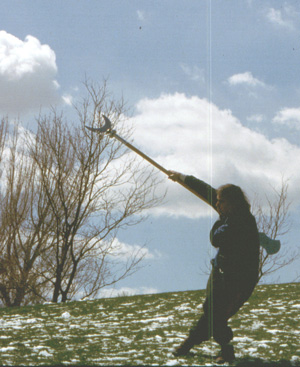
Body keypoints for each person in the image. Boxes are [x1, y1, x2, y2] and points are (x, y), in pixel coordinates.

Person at [169, 172, 260, 364]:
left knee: (214, 312)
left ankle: (202, 345)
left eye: (222, 202)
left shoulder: (240, 221)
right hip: (220, 273)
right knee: (211, 310)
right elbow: (208, 192)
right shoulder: (229, 212)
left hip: (239, 280)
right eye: (218, 202)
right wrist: (182, 178)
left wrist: (220, 219)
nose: (217, 205)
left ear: (233, 203)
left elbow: (216, 239)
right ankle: (203, 345)